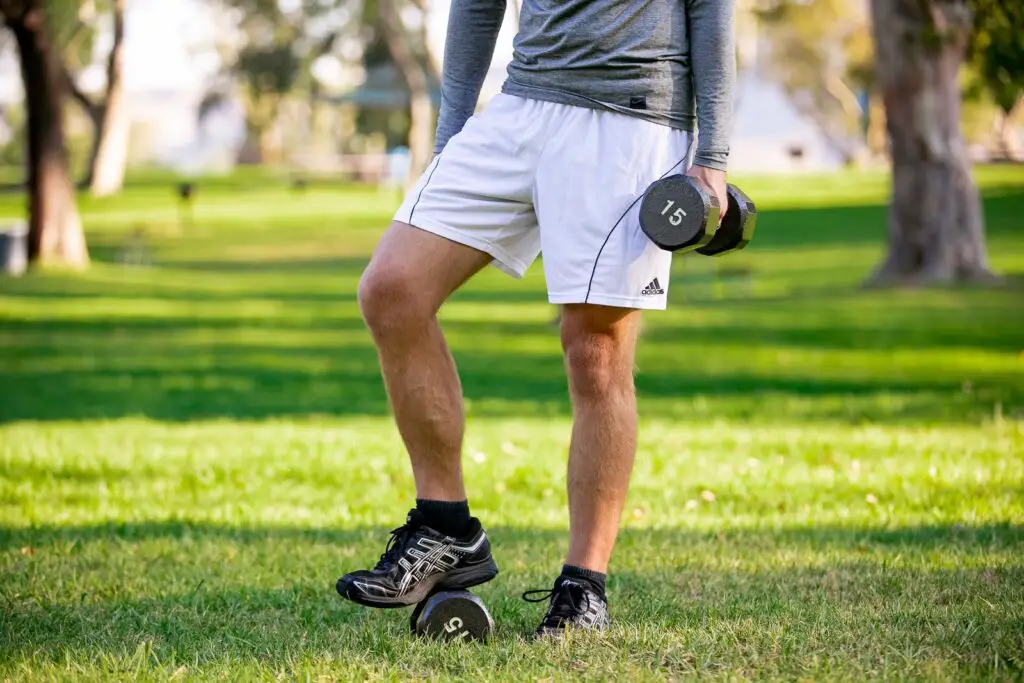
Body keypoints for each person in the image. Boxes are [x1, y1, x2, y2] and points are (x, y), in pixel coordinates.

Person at [336, 0, 736, 637]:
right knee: (392, 290)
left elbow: (711, 11)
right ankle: (445, 527)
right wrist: (451, 139)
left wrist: (711, 156)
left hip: (631, 120)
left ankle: (584, 585)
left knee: (595, 351)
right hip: (521, 105)